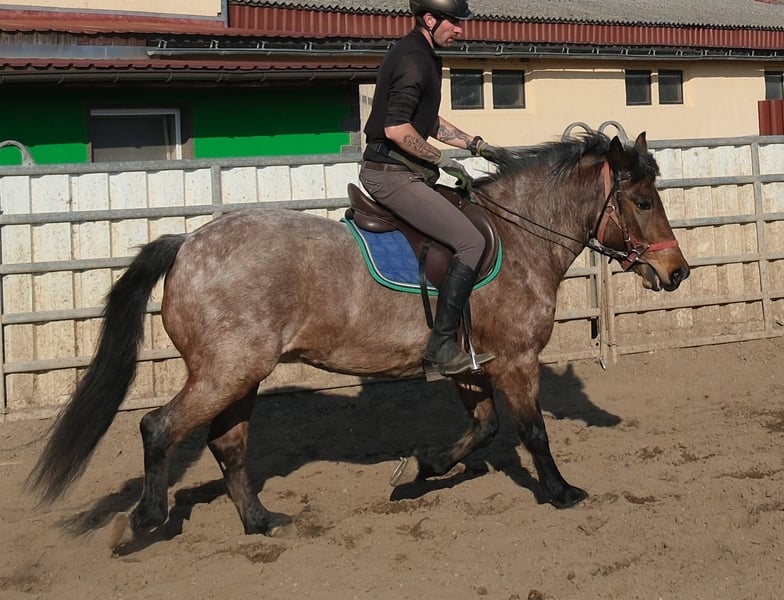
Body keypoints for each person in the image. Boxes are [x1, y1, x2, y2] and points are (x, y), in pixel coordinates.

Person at [359, 0, 504, 378]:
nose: (460, 30)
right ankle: (441, 346)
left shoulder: (424, 54)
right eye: (454, 22)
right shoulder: (413, 60)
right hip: (391, 174)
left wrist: (476, 144)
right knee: (471, 242)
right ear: (429, 18)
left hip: (406, 170)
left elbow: (427, 120)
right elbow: (397, 129)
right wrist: (443, 161)